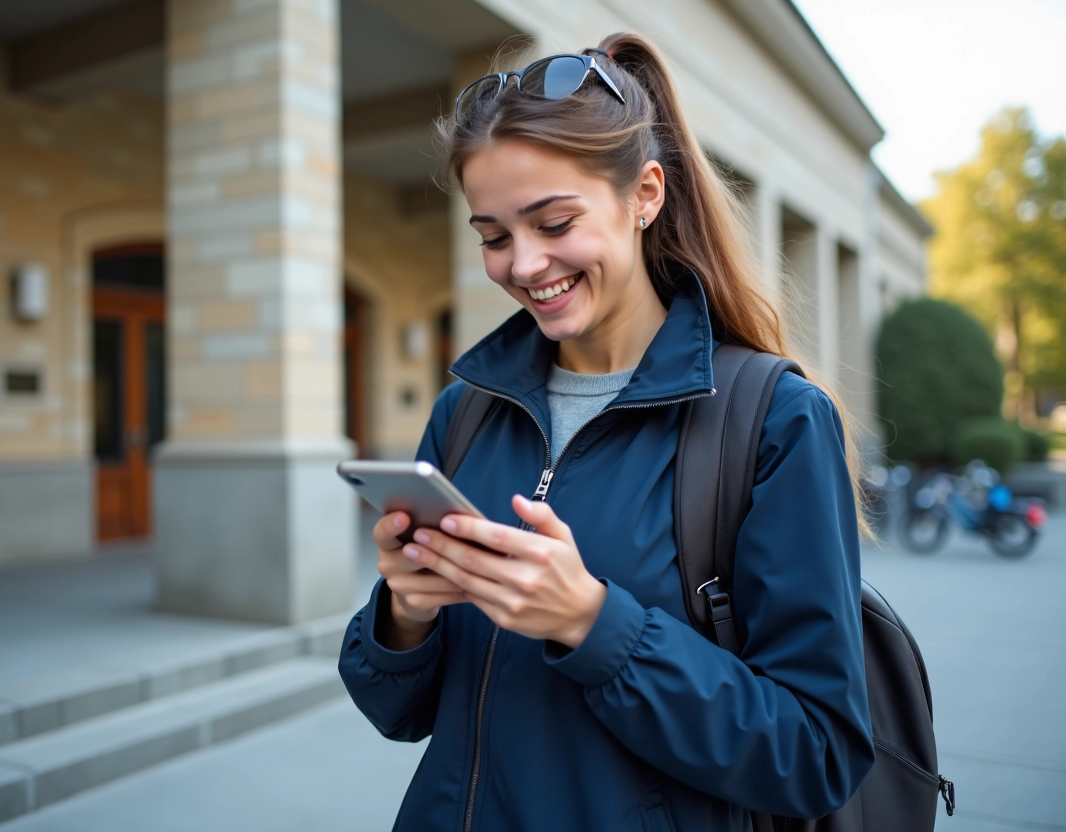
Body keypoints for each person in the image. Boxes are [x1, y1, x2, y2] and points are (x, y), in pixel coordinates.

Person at [338, 32, 874, 832]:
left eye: (554, 222)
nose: (523, 264)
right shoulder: (468, 409)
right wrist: (405, 613)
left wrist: (593, 623)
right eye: (492, 236)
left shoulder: (776, 420)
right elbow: (397, 712)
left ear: (645, 195)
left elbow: (816, 755)